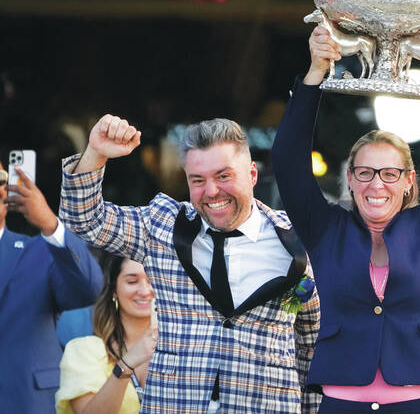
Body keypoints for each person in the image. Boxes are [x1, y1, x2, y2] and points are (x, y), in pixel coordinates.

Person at [271, 0, 420, 413]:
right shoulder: (326, 228)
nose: (376, 185)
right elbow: (288, 162)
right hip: (343, 403)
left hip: (418, 403)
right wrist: (316, 72)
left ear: (408, 182)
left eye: (389, 174)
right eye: (365, 172)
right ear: (350, 180)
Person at [58, 118, 320, 413]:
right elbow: (83, 222)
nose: (211, 192)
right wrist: (95, 153)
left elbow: (311, 342)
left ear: (252, 174)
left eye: (223, 176)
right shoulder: (162, 227)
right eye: (198, 180)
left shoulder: (298, 243)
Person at [0, 161, 102, 413]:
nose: (1, 189)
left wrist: (50, 224)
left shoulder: (40, 251)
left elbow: (89, 288)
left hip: (25, 402)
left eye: (2, 180)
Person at [56, 255, 156, 413]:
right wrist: (127, 364)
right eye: (132, 281)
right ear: (114, 290)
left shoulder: (184, 347)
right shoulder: (84, 350)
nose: (145, 291)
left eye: (153, 280)